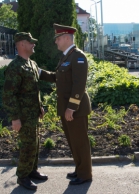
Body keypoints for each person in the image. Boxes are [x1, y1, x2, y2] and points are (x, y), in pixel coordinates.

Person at [39, 24, 92, 185]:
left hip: (75, 109)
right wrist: (40, 72)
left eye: (58, 38)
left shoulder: (78, 56)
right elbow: (58, 77)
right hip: (67, 108)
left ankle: (85, 174)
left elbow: (79, 85)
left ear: (67, 38)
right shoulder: (66, 57)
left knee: (80, 141)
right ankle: (79, 169)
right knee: (73, 141)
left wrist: (71, 107)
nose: (56, 41)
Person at [2, 32, 48, 190]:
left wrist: (40, 106)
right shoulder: (15, 67)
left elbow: (35, 89)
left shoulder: (32, 64)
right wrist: (15, 118)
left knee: (35, 144)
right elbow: (9, 95)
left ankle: (32, 170)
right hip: (23, 116)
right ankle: (22, 176)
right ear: (21, 44)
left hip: (33, 113)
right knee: (27, 145)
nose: (33, 44)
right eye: (31, 42)